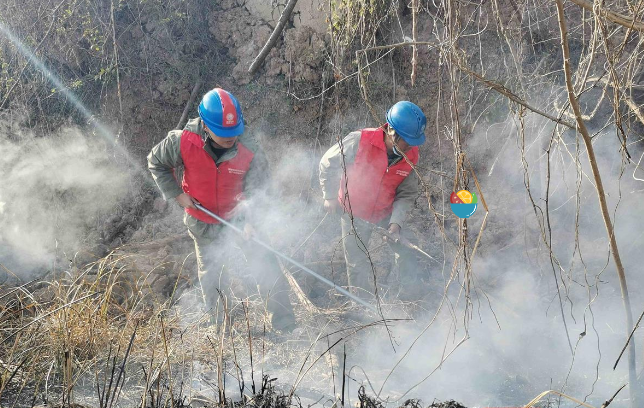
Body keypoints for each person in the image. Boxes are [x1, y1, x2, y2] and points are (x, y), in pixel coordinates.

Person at [148, 88, 296, 331]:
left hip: (239, 218)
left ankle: (285, 324)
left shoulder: (250, 149)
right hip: (202, 219)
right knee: (213, 275)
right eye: (223, 133)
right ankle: (222, 330)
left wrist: (251, 219)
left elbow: (260, 187)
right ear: (205, 126)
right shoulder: (183, 141)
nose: (230, 138)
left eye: (234, 131)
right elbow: (156, 162)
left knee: (266, 264)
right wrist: (176, 194)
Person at [319, 101, 427, 301]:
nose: (411, 146)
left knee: (406, 249)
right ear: (393, 132)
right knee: (357, 262)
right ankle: (362, 308)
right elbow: (328, 163)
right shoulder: (359, 140)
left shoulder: (411, 155)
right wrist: (330, 196)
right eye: (408, 141)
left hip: (385, 212)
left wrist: (396, 223)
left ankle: (411, 300)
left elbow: (406, 193)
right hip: (353, 212)